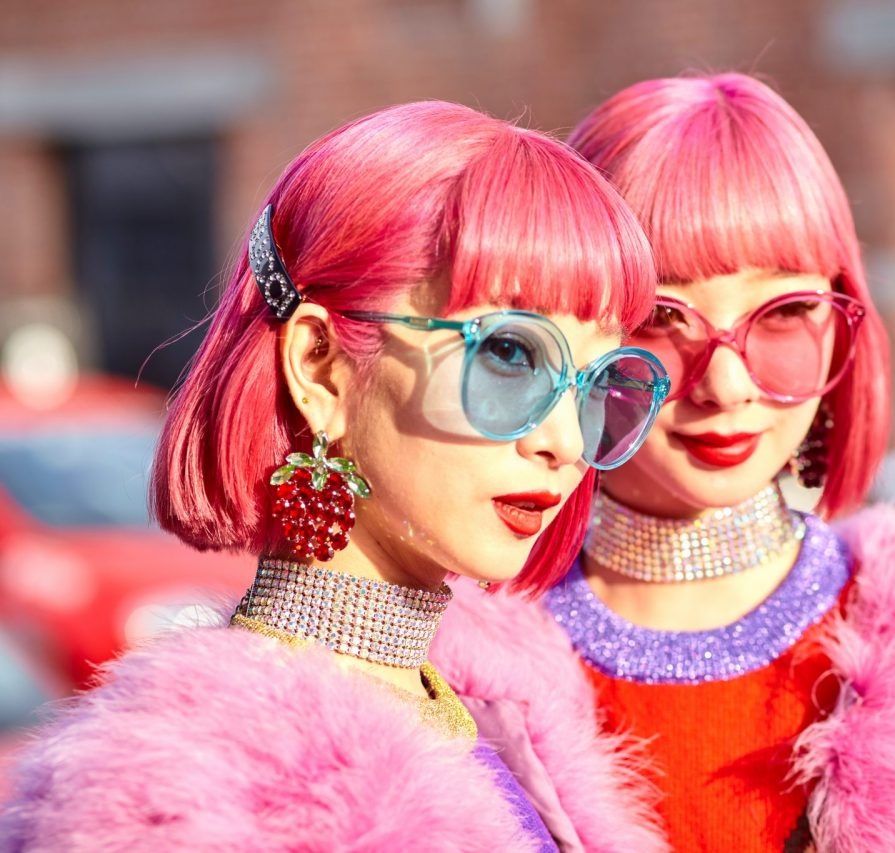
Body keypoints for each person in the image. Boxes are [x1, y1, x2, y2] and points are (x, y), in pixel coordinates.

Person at [433, 74, 895, 851]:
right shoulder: (436, 673)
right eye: (662, 317)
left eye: (787, 312)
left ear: (841, 325)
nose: (725, 383)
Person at [0, 100, 671, 852]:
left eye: (596, 381)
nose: (564, 441)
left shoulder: (517, 713)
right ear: (320, 368)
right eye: (510, 354)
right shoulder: (188, 806)